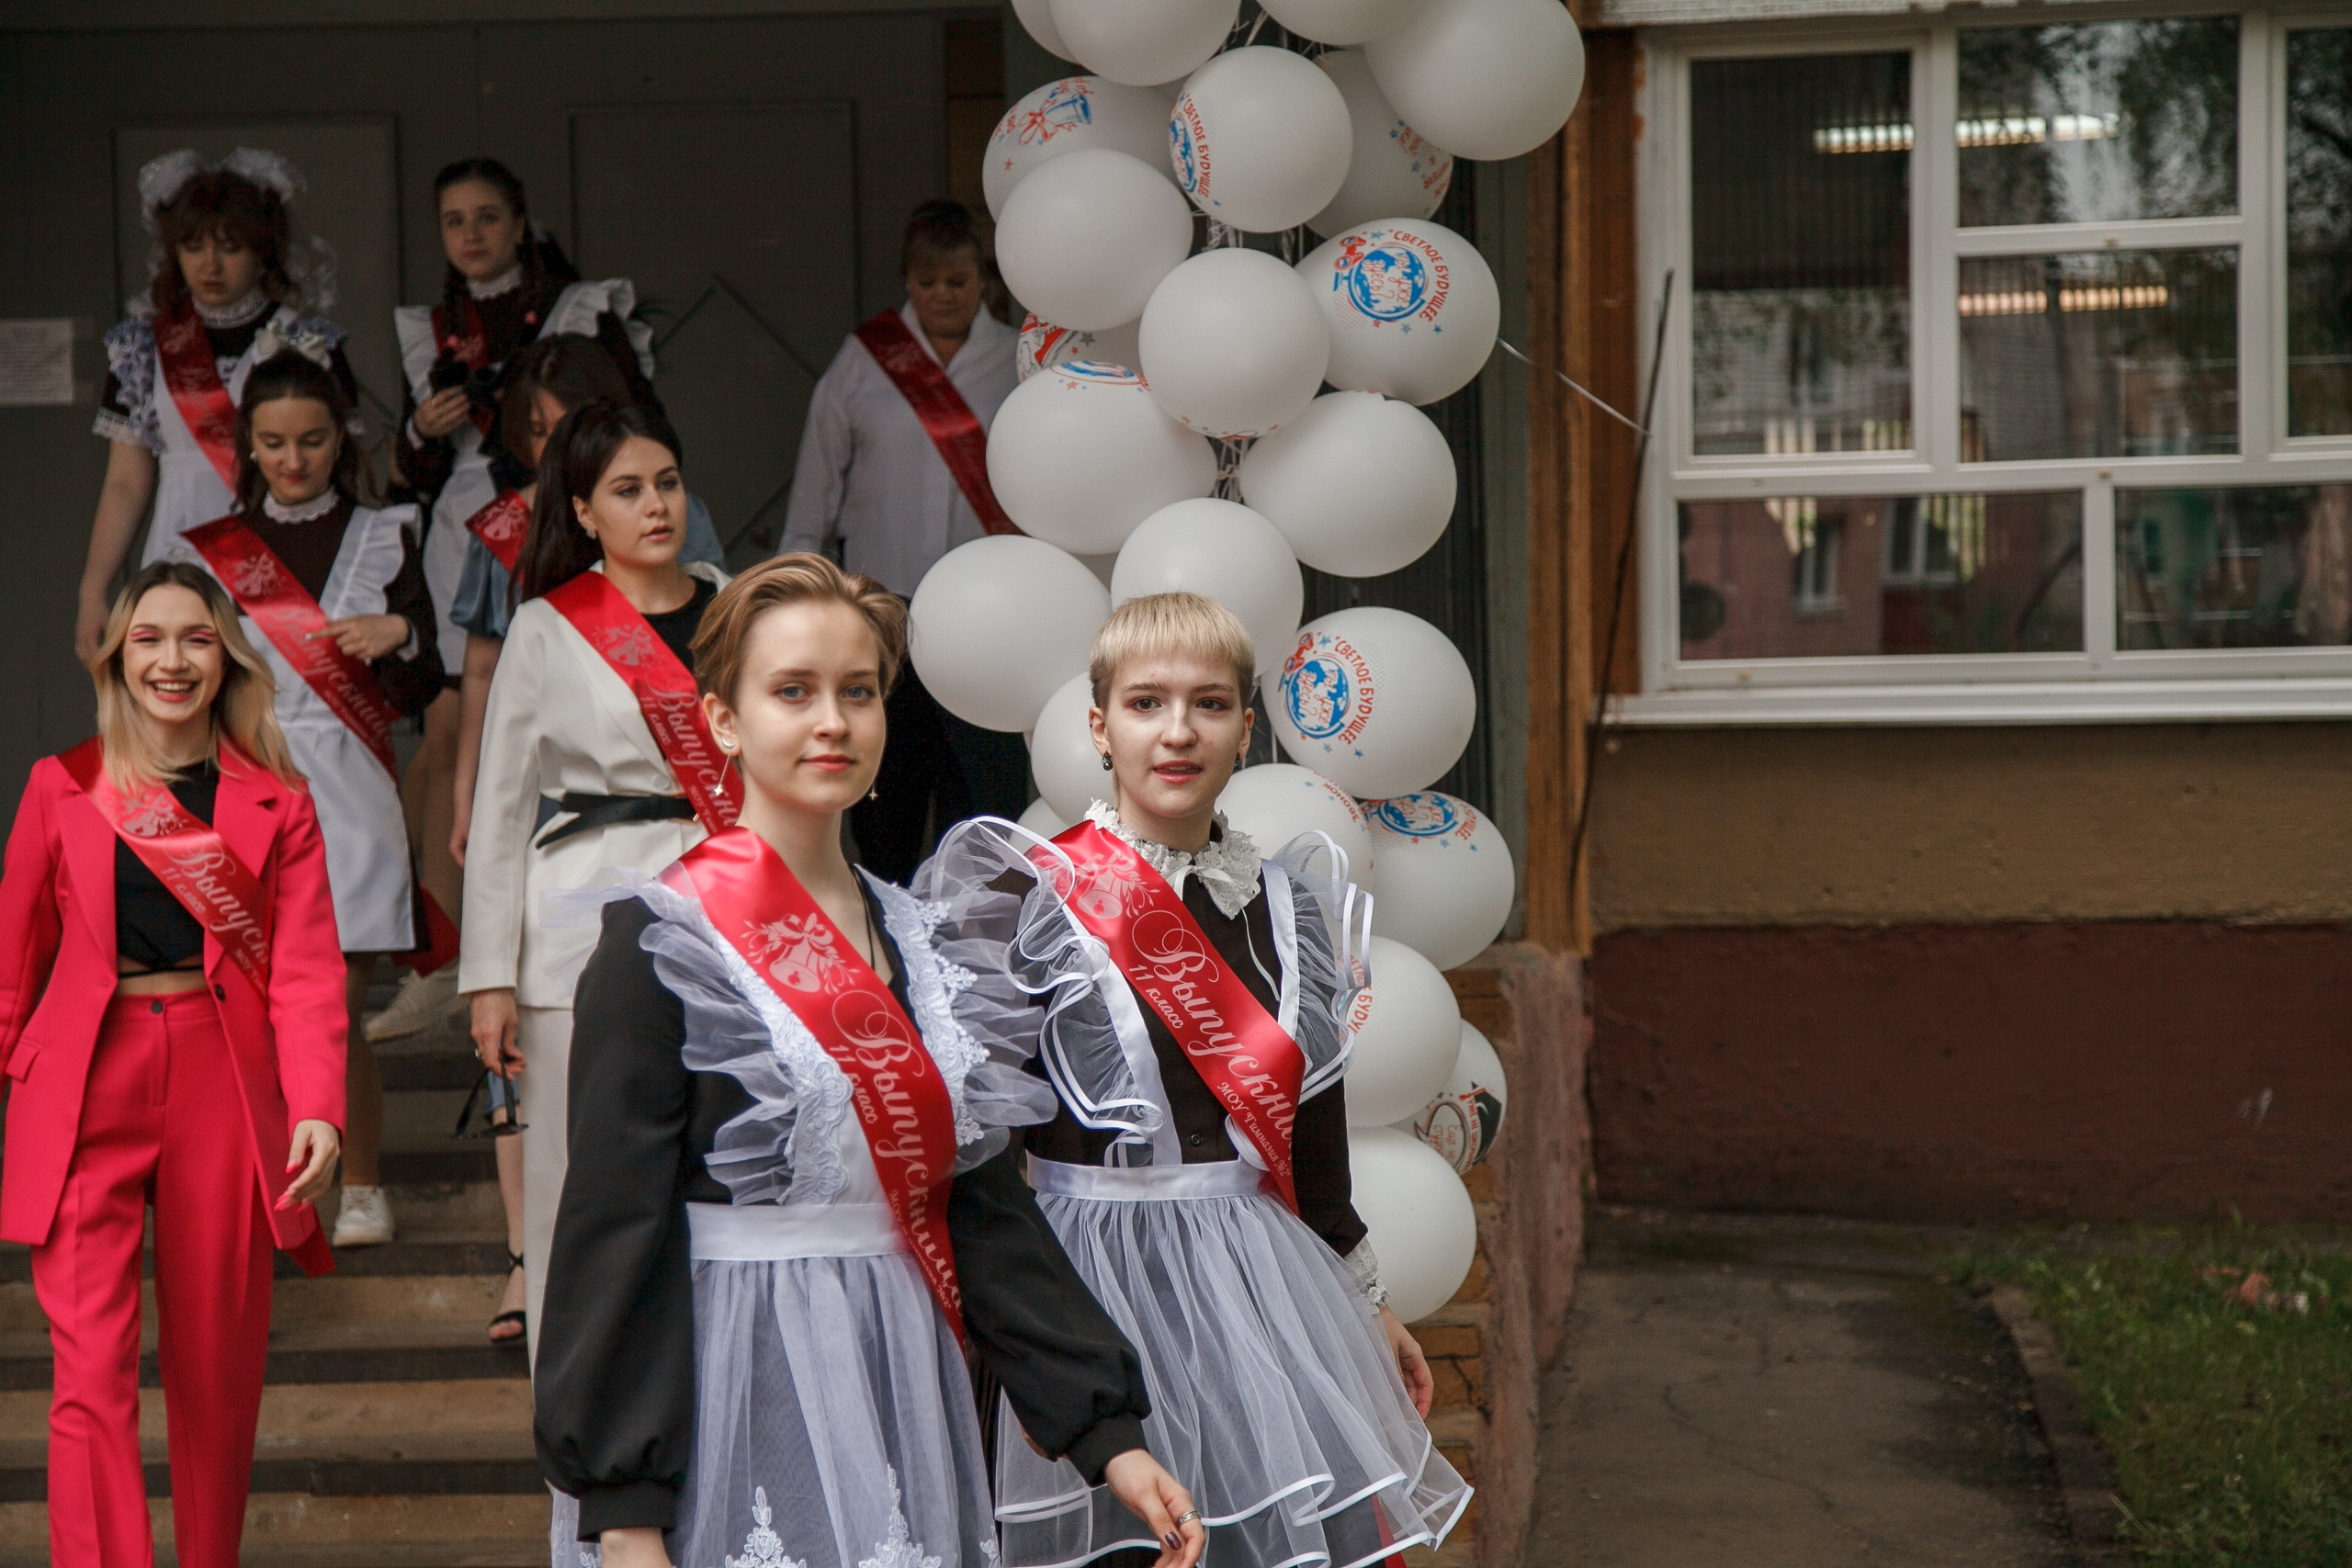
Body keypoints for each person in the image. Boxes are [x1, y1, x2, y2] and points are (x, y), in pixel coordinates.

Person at [534, 553, 1204, 1568]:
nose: (832, 722)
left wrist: (1105, 1436)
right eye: (792, 691)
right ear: (723, 720)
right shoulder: (662, 942)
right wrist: (628, 1513)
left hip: (900, 1367)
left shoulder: (922, 939)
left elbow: (977, 1208)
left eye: (858, 692)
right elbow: (613, 1231)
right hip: (732, 1380)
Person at [989, 592, 1472, 1568]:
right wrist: (1026, 1358)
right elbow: (989, 1157)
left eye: (1210, 704)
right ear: (1099, 727)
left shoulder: (1292, 909)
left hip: (1259, 1289)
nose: (1177, 732)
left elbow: (1313, 1136)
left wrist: (1366, 1301)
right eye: (1145, 703)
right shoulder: (1031, 898)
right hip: (1088, 1282)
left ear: (1247, 731)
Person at [0, 560, 346, 1568]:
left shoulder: (277, 803)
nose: (172, 659)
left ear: (225, 656)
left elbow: (309, 973)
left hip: (219, 1084)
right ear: (117, 656)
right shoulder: (62, 787)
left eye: (195, 637)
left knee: (215, 1373)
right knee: (89, 1376)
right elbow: (12, 965)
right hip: (84, 1087)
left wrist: (317, 1102)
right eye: (148, 638)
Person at [462, 401, 729, 1355]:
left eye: (665, 482)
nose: (654, 506)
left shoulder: (740, 606)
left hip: (729, 900)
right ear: (581, 510)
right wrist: (487, 976)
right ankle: (578, 1434)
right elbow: (500, 808)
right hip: (579, 916)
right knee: (575, 1179)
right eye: (626, 490)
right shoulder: (545, 625)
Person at [169, 350, 445, 1249]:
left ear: (341, 438)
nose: (294, 460)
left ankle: (360, 1186)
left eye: (314, 441)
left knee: (333, 1002)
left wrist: (399, 631)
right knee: (240, 1009)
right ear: (248, 442)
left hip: (352, 797)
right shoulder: (210, 551)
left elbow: (426, 681)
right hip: (247, 789)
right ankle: (258, 1188)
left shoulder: (388, 532)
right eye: (275, 443)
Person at [378, 158, 657, 1043]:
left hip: (572, 527)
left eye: (487, 217)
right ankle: (453, 951)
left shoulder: (581, 310)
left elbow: (635, 425)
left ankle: (515, 938)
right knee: (455, 730)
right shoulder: (427, 327)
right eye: (453, 220)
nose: (470, 235)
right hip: (476, 535)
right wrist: (420, 434)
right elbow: (407, 478)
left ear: (520, 220)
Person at [778, 197, 1027, 881]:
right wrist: (789, 602)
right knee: (884, 799)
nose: (942, 296)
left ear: (986, 281)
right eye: (926, 282)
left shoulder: (1016, 361)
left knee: (980, 802)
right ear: (905, 281)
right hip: (882, 621)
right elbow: (814, 493)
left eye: (958, 281)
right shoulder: (863, 362)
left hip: (988, 625)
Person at [77, 148, 356, 664]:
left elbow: (347, 469)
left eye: (230, 247)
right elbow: (125, 481)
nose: (209, 264)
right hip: (178, 544)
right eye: (192, 245)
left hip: (284, 553)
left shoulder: (305, 341)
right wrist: (93, 588)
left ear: (261, 250)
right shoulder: (143, 346)